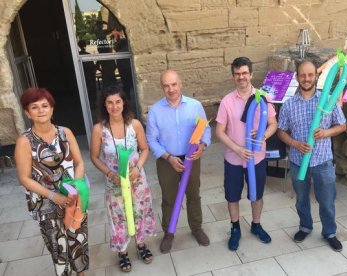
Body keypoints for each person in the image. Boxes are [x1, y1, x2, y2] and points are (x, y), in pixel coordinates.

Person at [15, 88, 88, 276]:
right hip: (46, 201)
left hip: (72, 196)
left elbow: (79, 163)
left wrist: (76, 188)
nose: (41, 110)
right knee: (58, 245)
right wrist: (53, 196)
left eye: (45, 106)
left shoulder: (65, 132)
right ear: (27, 112)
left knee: (77, 237)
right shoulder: (25, 141)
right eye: (35, 107)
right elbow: (24, 178)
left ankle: (81, 272)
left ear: (52, 109)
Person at [277, 60, 346, 252]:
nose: (306, 79)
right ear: (297, 77)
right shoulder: (289, 105)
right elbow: (281, 131)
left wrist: (325, 133)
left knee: (327, 200)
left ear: (316, 76)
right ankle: (305, 226)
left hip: (323, 161)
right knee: (301, 199)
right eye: (302, 75)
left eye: (310, 75)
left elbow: (342, 125)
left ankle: (330, 232)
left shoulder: (328, 100)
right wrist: (295, 144)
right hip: (299, 162)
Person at [90, 85, 156, 272]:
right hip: (115, 183)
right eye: (110, 102)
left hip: (137, 180)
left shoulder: (134, 124)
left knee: (139, 212)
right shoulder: (99, 129)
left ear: (123, 103)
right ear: (104, 105)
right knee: (118, 217)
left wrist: (138, 167)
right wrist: (110, 174)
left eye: (118, 101)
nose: (114, 106)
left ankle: (141, 244)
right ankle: (123, 252)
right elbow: (94, 157)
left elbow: (144, 149)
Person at [146, 70, 211, 254]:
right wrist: (168, 157)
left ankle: (196, 228)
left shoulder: (195, 105)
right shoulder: (155, 111)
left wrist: (203, 145)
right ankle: (169, 232)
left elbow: (205, 129)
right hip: (167, 160)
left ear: (180, 84)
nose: (171, 89)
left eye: (174, 84)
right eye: (166, 85)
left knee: (193, 194)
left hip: (192, 158)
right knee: (169, 198)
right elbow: (151, 140)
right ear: (162, 87)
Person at [215, 57, 277, 251]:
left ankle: (256, 225)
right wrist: (236, 148)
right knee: (232, 196)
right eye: (237, 74)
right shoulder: (227, 101)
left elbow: (273, 124)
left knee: (256, 195)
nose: (241, 77)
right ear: (233, 76)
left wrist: (263, 136)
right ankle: (235, 228)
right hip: (233, 158)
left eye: (244, 73)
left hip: (257, 158)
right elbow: (219, 131)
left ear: (250, 74)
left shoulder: (263, 97)